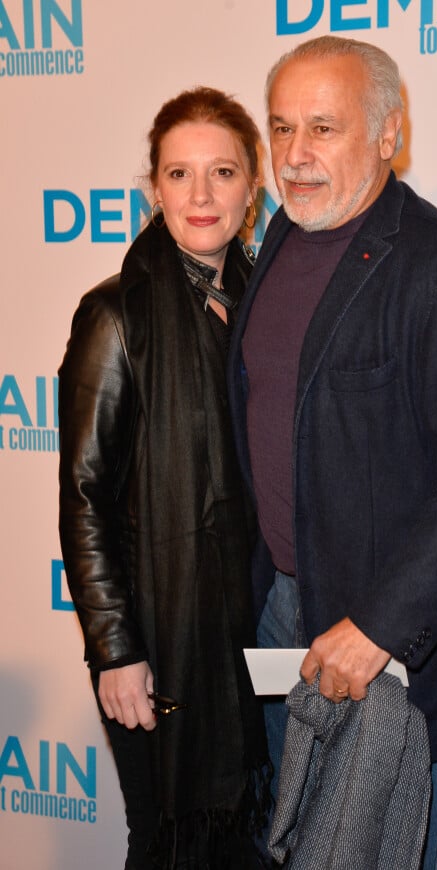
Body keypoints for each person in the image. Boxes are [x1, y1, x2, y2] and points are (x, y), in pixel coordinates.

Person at [228, 36, 437, 869]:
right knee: (303, 846)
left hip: (398, 645)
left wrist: (381, 626)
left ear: (388, 133)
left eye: (324, 129)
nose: (295, 156)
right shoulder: (282, 244)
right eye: (282, 127)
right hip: (289, 619)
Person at [58, 87, 271, 870]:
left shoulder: (267, 309)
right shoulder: (116, 316)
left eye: (222, 172)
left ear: (254, 187)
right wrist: (115, 651)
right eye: (179, 175)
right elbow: (84, 499)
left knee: (245, 841)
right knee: (166, 842)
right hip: (154, 637)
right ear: (154, 188)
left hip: (254, 628)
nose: (202, 195)